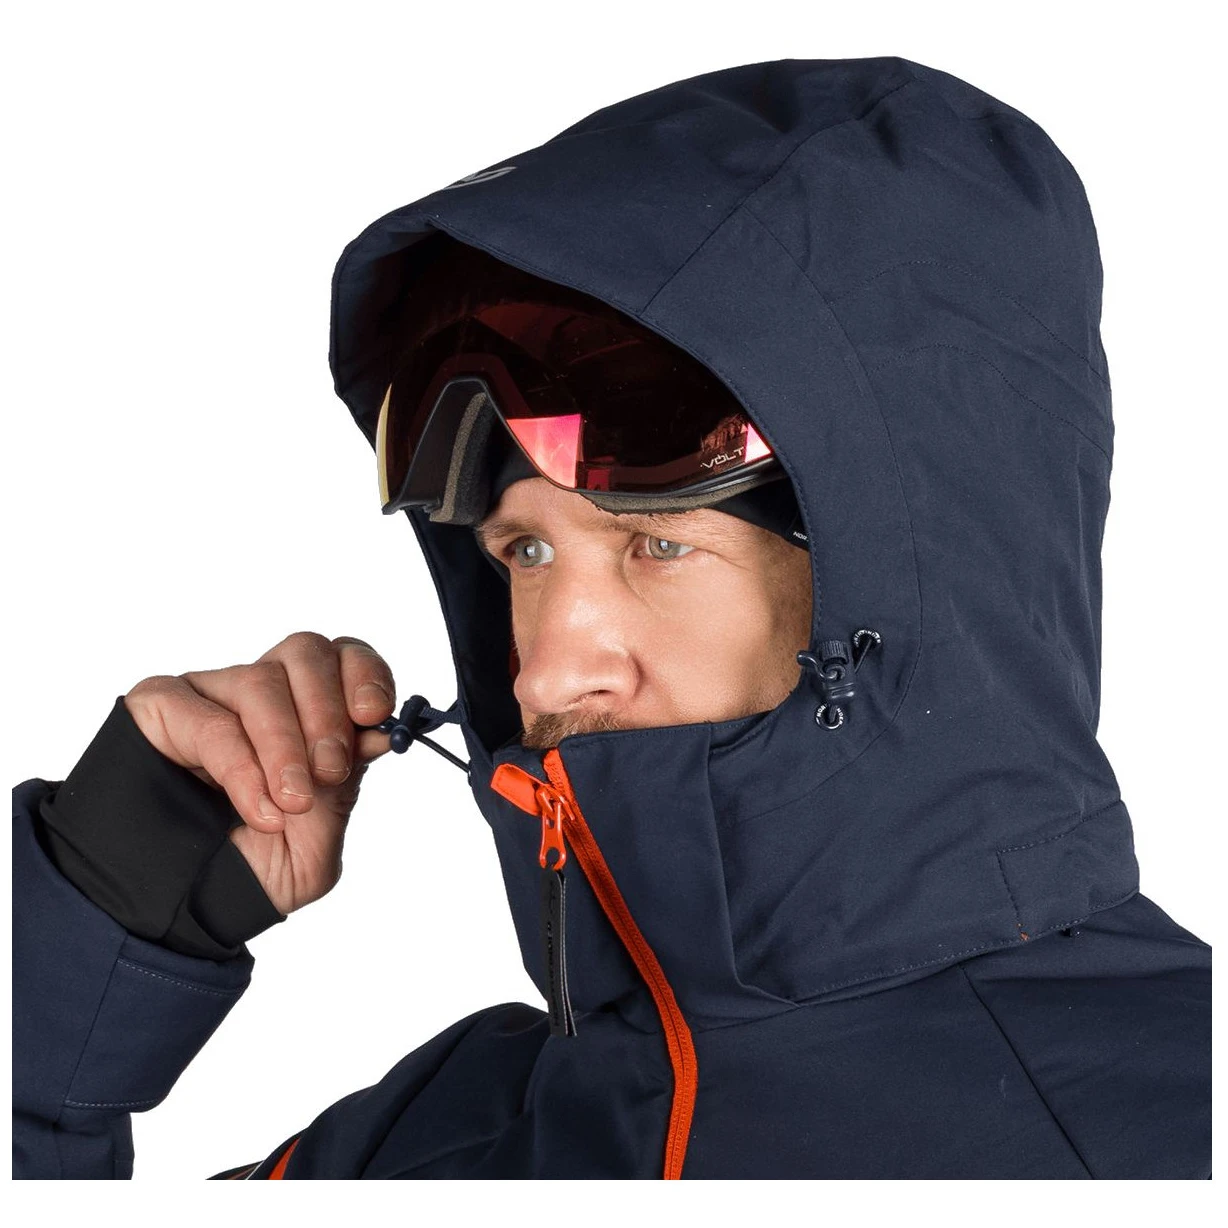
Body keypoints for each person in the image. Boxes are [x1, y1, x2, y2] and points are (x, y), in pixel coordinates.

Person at [12, 55, 1210, 1180]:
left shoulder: (1161, 1138)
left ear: (911, 578)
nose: (543, 674)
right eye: (525, 551)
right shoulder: (453, 1136)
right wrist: (76, 955)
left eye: (658, 544)